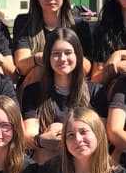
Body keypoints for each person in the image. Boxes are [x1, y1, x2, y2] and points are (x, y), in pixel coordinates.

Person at [21, 27, 105, 163]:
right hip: (48, 159)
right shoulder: (33, 91)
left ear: (78, 55)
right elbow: (29, 134)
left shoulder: (96, 91)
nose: (62, 58)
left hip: (84, 158)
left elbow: (101, 136)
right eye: (56, 54)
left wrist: (67, 135)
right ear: (48, 58)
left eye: (68, 53)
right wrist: (41, 140)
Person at [12, 0, 83, 89]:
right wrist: (40, 59)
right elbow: (21, 66)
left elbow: (86, 67)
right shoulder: (24, 22)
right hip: (34, 88)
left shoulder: (78, 24)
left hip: (69, 85)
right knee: (39, 70)